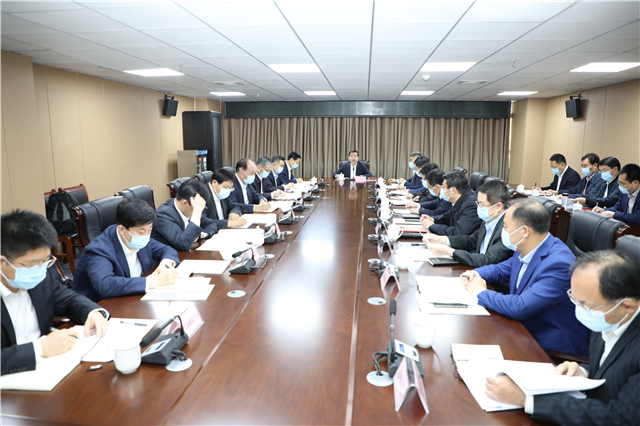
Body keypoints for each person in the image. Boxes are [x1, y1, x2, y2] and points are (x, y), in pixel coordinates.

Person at [485, 251, 640, 425]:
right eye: (575, 299)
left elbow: (620, 418)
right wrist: (583, 370)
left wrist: (526, 399)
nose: (579, 310)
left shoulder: (607, 316)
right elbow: (613, 364)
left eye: (585, 305)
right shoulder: (608, 315)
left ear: (628, 306)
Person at [461, 199, 588, 355]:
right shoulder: (528, 246)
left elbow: (520, 306)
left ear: (524, 231)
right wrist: (476, 273)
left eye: (505, 227)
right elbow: (502, 269)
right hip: (521, 329)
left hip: (549, 346)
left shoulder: (559, 264)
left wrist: (479, 292)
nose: (503, 231)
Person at [1, 210, 109, 375]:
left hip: (49, 367)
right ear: (2, 262)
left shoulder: (39, 279)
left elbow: (68, 299)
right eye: (32, 263)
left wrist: (93, 313)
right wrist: (40, 349)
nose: (40, 268)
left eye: (45, 260)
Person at [73, 198, 181, 302]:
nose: (146, 236)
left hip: (133, 298)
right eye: (141, 231)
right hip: (102, 306)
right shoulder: (98, 250)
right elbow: (105, 286)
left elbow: (167, 250)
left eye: (150, 230)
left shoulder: (141, 237)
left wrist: (166, 263)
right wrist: (152, 281)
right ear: (121, 230)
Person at [424, 180, 513, 269]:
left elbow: (487, 260)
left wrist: (449, 252)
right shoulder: (490, 218)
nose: (478, 207)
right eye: (478, 203)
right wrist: (442, 240)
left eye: (481, 204)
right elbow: (471, 240)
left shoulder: (508, 228)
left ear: (498, 206)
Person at [151, 179, 218, 252]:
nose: (200, 210)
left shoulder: (187, 210)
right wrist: (197, 211)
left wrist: (200, 235)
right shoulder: (163, 215)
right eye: (198, 206)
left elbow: (211, 224)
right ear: (185, 203)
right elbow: (183, 244)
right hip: (167, 257)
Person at [420, 171, 482, 236]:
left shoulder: (470, 205)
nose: (441, 190)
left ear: (453, 190)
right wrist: (432, 219)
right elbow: (447, 217)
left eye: (443, 187)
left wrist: (432, 226)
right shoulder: (460, 199)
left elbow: (458, 232)